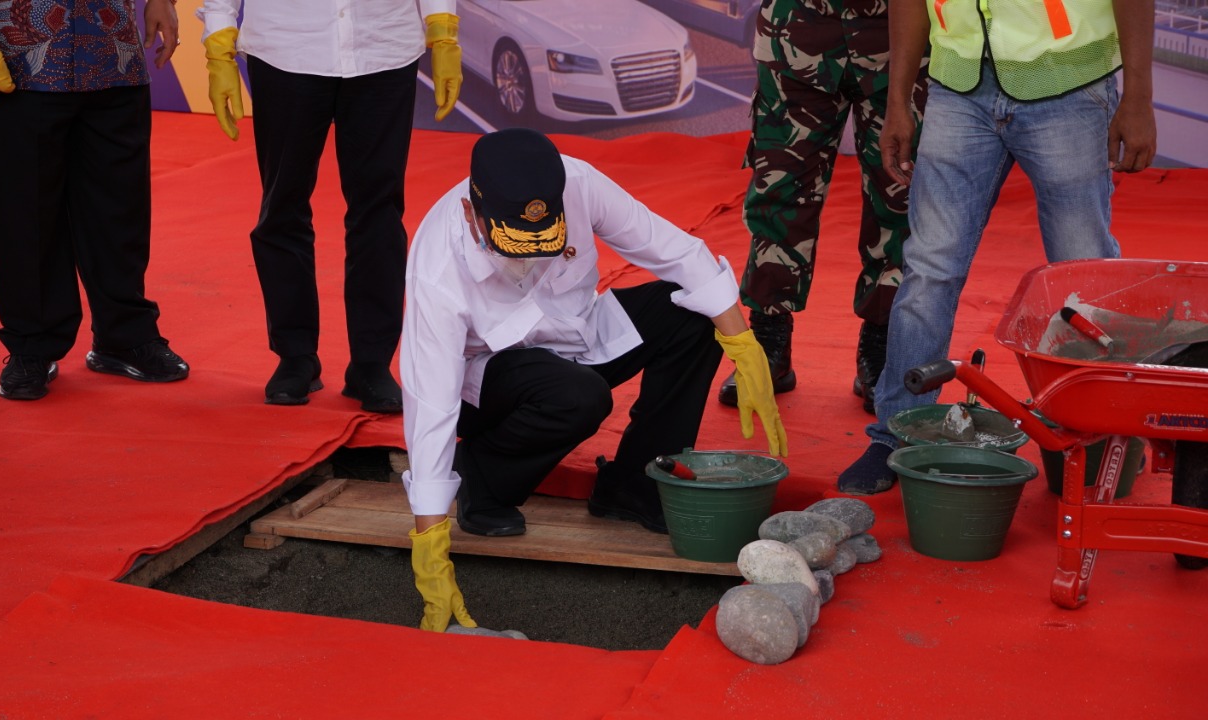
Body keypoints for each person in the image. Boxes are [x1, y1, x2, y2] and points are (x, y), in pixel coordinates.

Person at [400, 128, 787, 631]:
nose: (529, 256)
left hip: (577, 336)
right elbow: (430, 402)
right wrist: (430, 549)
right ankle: (485, 482)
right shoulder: (437, 267)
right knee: (578, 396)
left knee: (694, 315)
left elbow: (676, 251)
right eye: (514, 246)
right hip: (490, 376)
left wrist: (743, 346)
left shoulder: (578, 183)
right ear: (471, 214)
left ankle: (635, 486)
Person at [837, 0, 1157, 494]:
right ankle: (895, 432)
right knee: (928, 267)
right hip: (957, 89)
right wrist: (898, 99)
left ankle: (1105, 435)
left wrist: (1138, 95)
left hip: (1069, 87)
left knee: (1083, 273)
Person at [196, 1, 463, 411]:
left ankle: (372, 363)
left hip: (384, 47)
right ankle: (295, 355)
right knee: (283, 206)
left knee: (379, 210)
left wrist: (442, 30)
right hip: (286, 49)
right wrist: (219, 42)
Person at [0, 0, 189, 401]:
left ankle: (125, 336)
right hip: (10, 57)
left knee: (120, 210)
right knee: (21, 214)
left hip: (112, 52)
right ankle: (32, 345)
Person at [719, 0, 928, 417]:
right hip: (796, 31)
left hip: (897, 38)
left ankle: (880, 343)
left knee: (899, 197)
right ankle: (769, 340)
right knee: (779, 190)